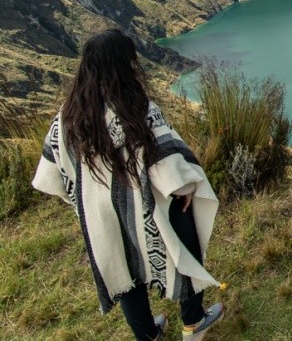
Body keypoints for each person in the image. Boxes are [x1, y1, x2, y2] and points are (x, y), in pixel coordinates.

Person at [32, 29, 224, 340]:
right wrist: (186, 190)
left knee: (124, 272)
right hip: (146, 207)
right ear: (125, 64)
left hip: (100, 214)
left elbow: (53, 172)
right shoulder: (137, 109)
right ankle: (193, 322)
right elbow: (166, 161)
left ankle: (148, 335)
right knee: (184, 248)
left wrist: (84, 200)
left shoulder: (65, 119)